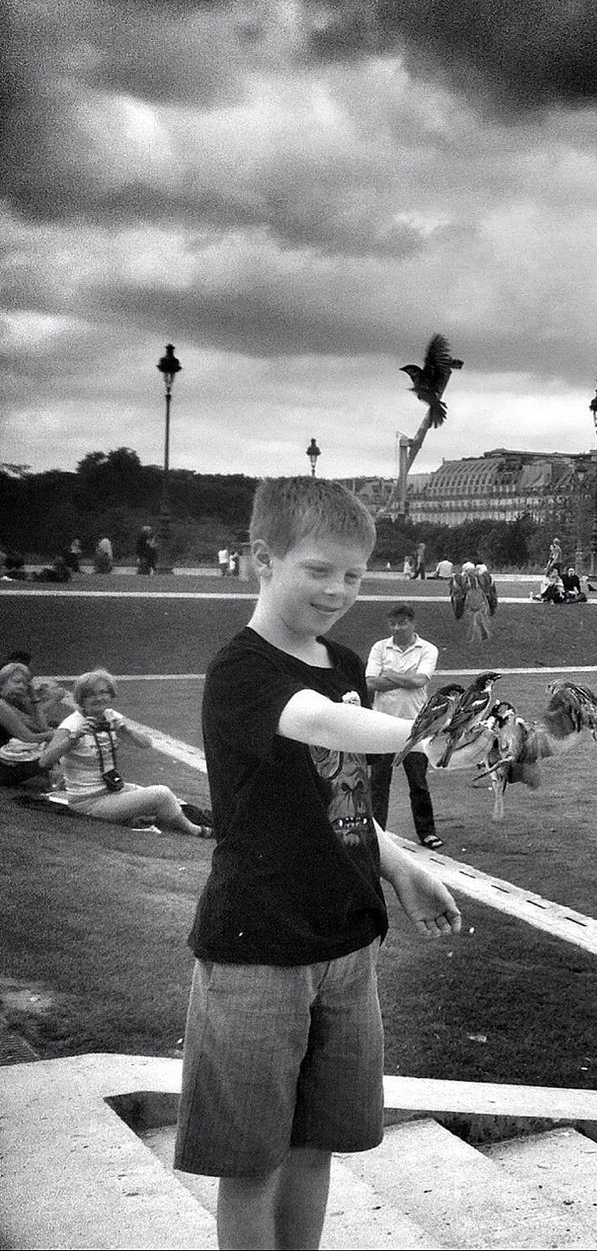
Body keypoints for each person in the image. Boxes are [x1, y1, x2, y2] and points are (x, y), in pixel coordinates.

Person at [172, 475, 461, 1249]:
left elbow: (342, 796)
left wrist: (398, 865)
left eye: (355, 575)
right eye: (319, 570)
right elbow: (318, 724)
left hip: (346, 944)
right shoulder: (241, 671)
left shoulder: (337, 659)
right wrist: (446, 732)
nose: (339, 591)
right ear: (263, 559)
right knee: (254, 1165)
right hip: (258, 949)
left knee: (314, 1149)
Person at [38, 669, 212, 836]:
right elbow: (44, 761)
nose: (99, 698)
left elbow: (146, 744)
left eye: (104, 692)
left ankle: (202, 819)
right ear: (81, 699)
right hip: (88, 800)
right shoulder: (72, 724)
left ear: (111, 695)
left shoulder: (110, 716)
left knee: (171, 799)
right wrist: (74, 738)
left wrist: (126, 731)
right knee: (161, 793)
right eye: (91, 694)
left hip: (114, 789)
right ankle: (194, 830)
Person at [365, 605, 442, 849]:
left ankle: (427, 832)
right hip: (382, 725)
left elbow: (420, 681)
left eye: (402, 623)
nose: (397, 628)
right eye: (393, 624)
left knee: (418, 782)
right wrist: (406, 679)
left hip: (415, 726)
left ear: (412, 624)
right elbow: (371, 683)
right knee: (378, 783)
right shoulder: (380, 647)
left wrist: (390, 675)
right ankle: (376, 834)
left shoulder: (428, 649)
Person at [0, 662, 57, 788]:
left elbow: (41, 727)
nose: (21, 686)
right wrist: (60, 735)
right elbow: (27, 737)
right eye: (16, 682)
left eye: (25, 683)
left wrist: (33, 696)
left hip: (16, 757)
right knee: (58, 749)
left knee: (57, 743)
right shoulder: (1, 705)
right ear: (3, 683)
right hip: (5, 767)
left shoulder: (20, 701)